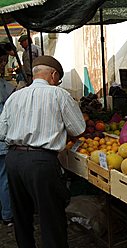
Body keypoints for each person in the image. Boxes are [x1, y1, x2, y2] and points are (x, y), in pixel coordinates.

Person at [0, 55, 86, 247]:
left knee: (21, 216)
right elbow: (78, 129)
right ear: (54, 75)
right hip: (41, 162)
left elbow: (1, 132)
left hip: (13, 160)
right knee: (51, 218)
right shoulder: (59, 94)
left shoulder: (15, 96)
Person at [0, 50, 15, 228]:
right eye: (1, 61)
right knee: (4, 177)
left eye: (4, 61)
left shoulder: (4, 84)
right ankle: (7, 214)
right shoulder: (3, 87)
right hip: (2, 140)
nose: (3, 64)